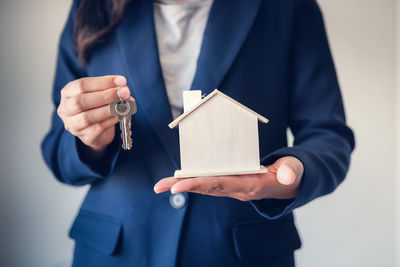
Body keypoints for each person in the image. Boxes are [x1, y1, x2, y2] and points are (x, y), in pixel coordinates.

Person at [41, 0, 355, 266]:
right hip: (116, 250)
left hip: (242, 251)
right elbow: (57, 149)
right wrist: (91, 142)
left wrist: (292, 175)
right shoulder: (91, 7)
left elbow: (327, 134)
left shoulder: (287, 7)